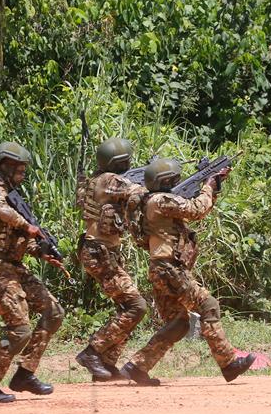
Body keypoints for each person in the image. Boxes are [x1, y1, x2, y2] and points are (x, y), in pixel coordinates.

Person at [119, 158, 256, 385]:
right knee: (208, 305)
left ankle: (137, 366)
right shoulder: (161, 200)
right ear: (167, 181)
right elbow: (197, 209)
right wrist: (209, 185)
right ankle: (229, 363)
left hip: (161, 268)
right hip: (169, 268)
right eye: (175, 178)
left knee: (179, 323)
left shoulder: (149, 200)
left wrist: (213, 185)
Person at [0, 142, 65, 404]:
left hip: (13, 266)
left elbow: (20, 238)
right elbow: (0, 211)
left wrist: (41, 250)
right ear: (5, 167)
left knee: (53, 312)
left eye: (24, 170)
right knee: (20, 329)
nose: (22, 174)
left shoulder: (14, 196)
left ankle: (25, 374)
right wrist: (28, 226)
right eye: (19, 169)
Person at [74, 138, 149, 381]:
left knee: (125, 308)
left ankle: (106, 363)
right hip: (100, 251)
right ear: (119, 162)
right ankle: (92, 352)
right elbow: (141, 193)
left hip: (101, 251)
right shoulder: (111, 181)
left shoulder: (94, 181)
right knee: (136, 306)